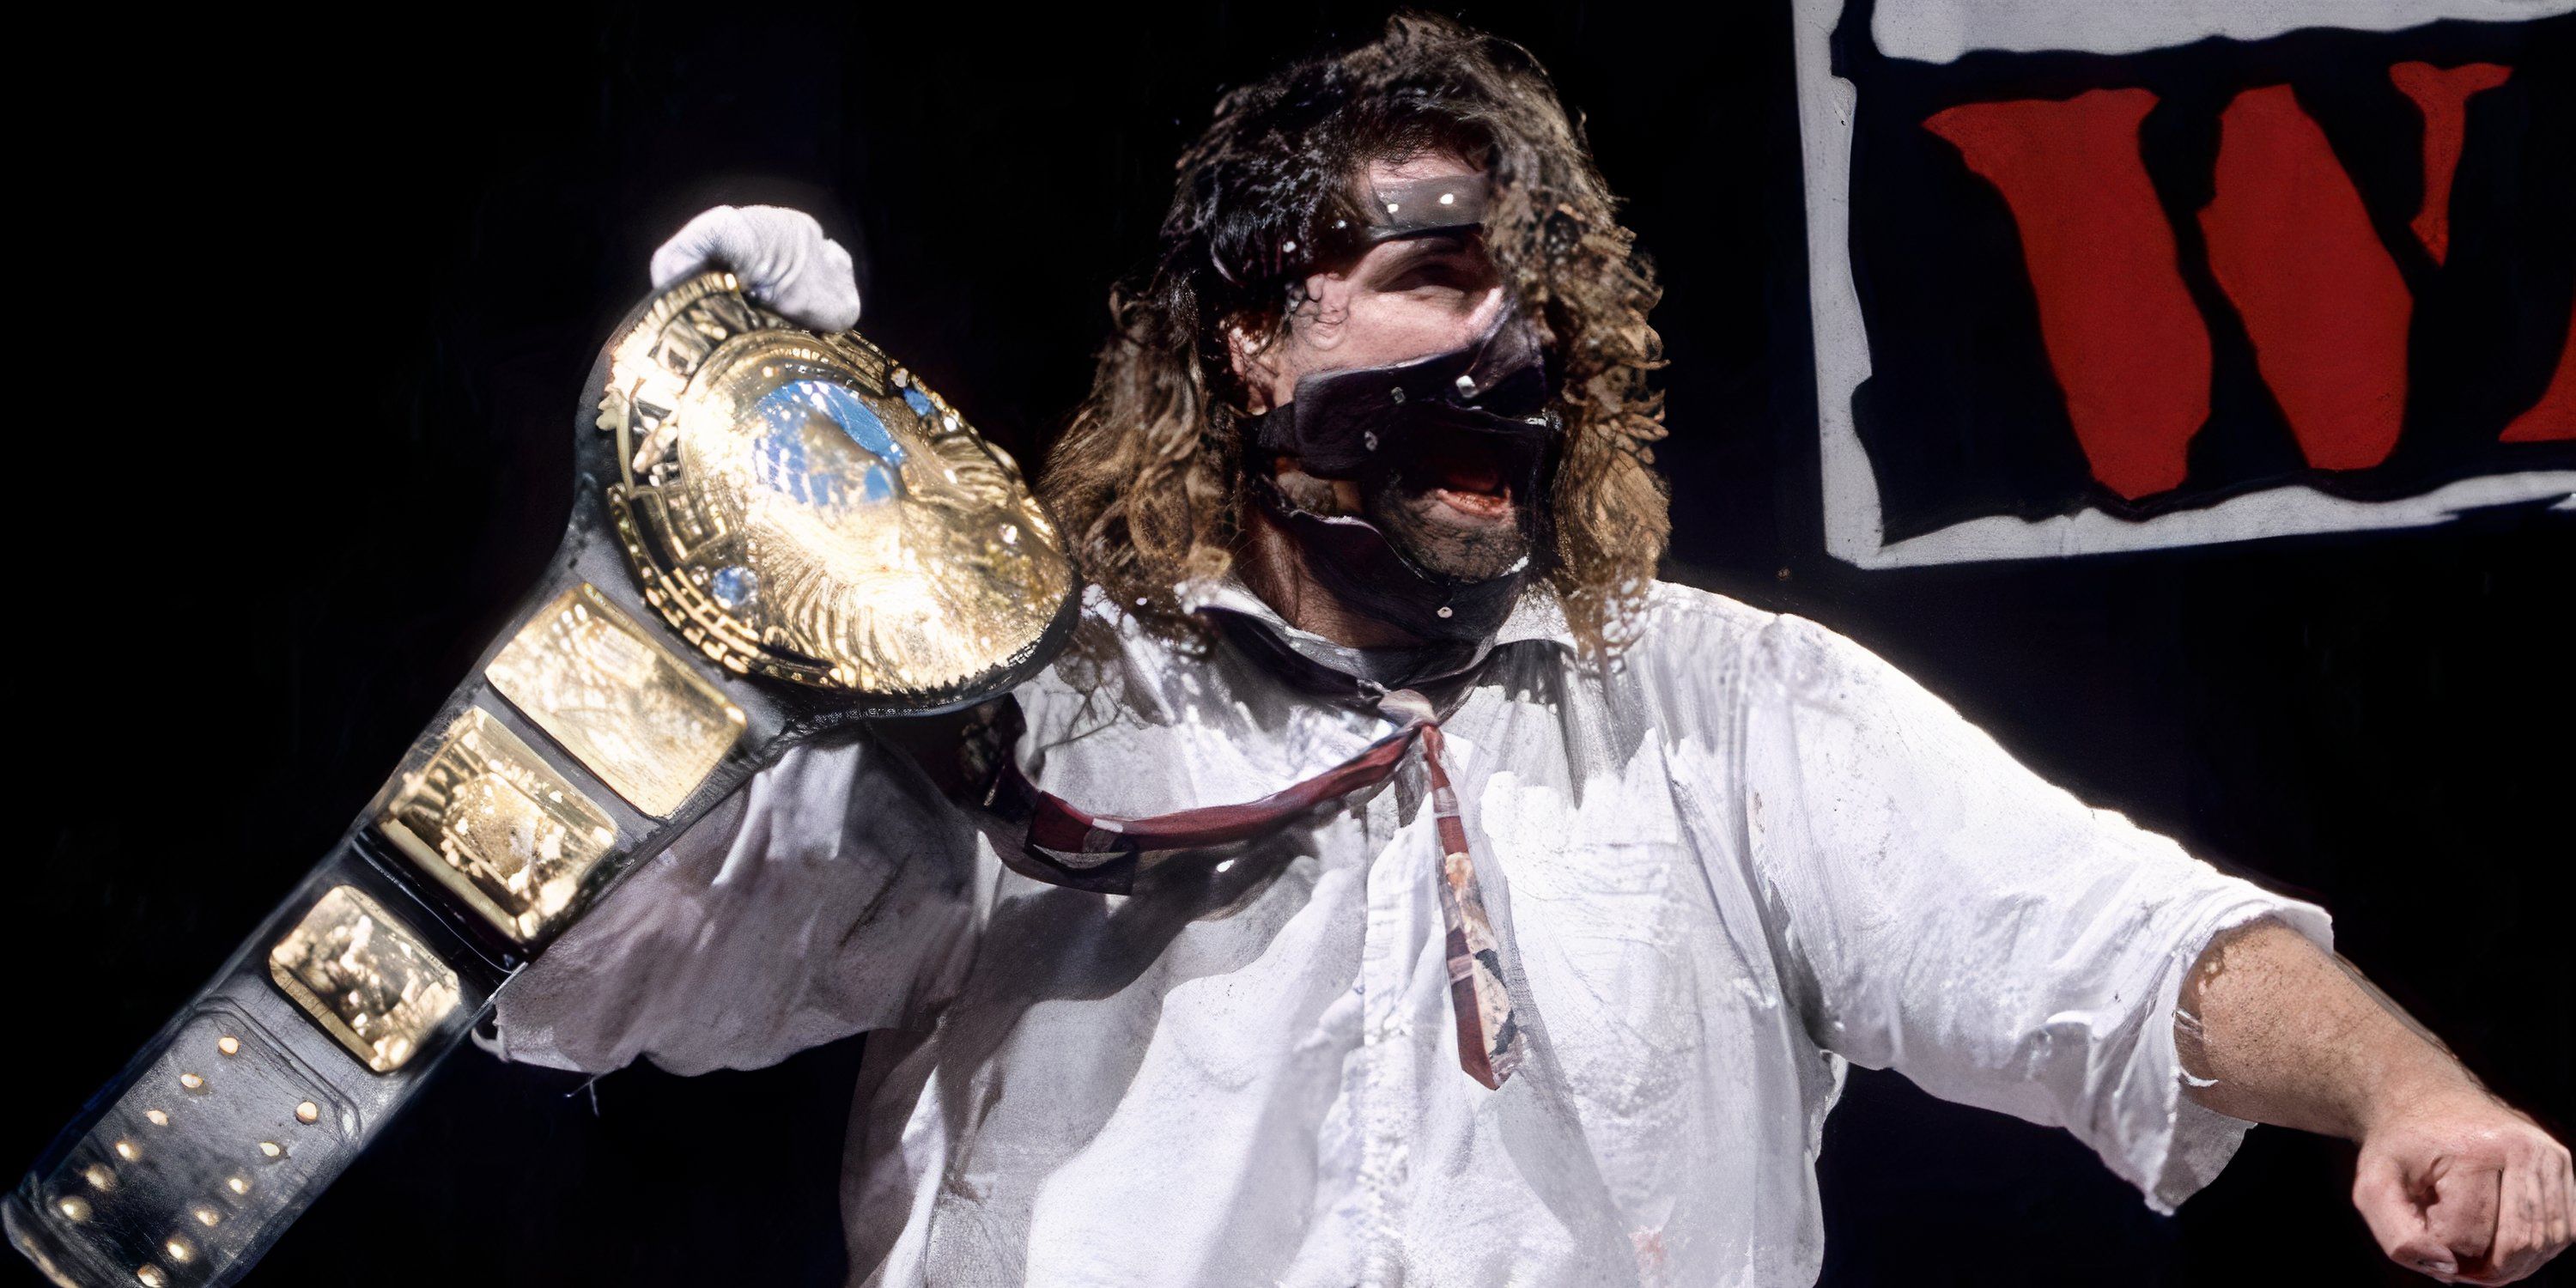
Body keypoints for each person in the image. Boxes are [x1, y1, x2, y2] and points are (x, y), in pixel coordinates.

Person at [491, 15, 2573, 1286]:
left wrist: (2407, 1090)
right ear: (1249, 336)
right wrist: (698, 566)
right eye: (1428, 276)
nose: (1509, 342)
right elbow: (580, 978)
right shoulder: (1036, 705)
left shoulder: (1725, 710)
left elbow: (2128, 951)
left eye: (1543, 297)